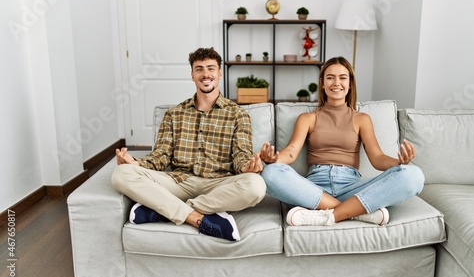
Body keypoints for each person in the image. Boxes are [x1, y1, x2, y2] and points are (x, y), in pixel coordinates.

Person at [111, 47, 266, 241]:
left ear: (219, 73)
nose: (205, 74)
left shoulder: (238, 114)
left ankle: (168, 210)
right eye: (199, 69)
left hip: (219, 184)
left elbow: (240, 155)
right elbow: (161, 156)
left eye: (211, 68)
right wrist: (134, 163)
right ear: (192, 75)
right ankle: (195, 217)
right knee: (121, 174)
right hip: (179, 182)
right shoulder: (174, 114)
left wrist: (247, 166)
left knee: (256, 186)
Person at [259, 56, 424, 226]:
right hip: (314, 190)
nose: (336, 83)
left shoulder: (362, 119)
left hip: (352, 189)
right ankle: (355, 213)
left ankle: (327, 215)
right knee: (271, 172)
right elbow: (291, 152)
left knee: (414, 175)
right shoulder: (307, 118)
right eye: (330, 78)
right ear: (322, 83)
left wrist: (399, 163)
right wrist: (274, 160)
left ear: (350, 84)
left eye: (342, 78)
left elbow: (377, 158)